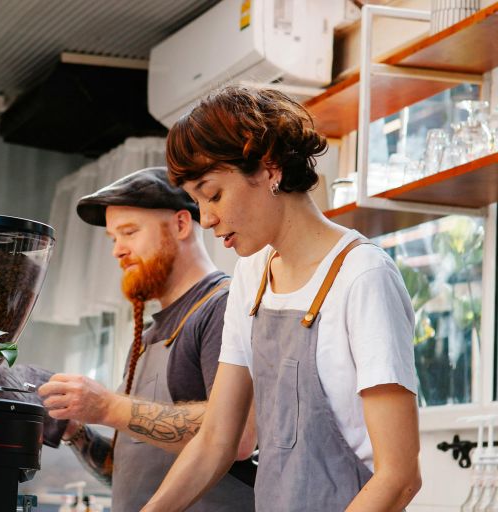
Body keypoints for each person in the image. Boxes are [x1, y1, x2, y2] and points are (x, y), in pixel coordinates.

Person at [141, 87, 422, 512]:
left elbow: (399, 477)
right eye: (196, 202)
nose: (207, 218)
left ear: (269, 168)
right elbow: (218, 439)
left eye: (213, 194)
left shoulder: (363, 277)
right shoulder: (251, 275)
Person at [38, 166, 256, 512]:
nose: (118, 251)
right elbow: (128, 473)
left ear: (182, 225)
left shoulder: (223, 307)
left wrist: (109, 406)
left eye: (129, 232)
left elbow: (239, 435)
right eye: (114, 239)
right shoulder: (148, 336)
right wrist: (72, 427)